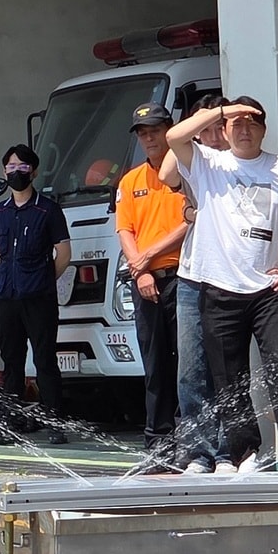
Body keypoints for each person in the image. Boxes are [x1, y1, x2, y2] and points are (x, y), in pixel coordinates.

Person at [160, 96, 278, 476]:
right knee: (228, 378)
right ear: (223, 129)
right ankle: (243, 453)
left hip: (268, 291)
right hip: (218, 290)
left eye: (252, 122)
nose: (244, 129)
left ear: (264, 129)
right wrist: (222, 111)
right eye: (237, 123)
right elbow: (173, 137)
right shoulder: (209, 162)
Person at [115, 103, 186, 467]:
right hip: (144, 281)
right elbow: (124, 229)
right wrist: (140, 270)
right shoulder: (130, 181)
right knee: (154, 362)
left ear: (169, 131)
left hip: (181, 277)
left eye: (155, 130)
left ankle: (188, 436)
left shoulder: (186, 173)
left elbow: (190, 221)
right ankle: (158, 441)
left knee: (188, 363)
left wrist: (147, 257)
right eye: (143, 133)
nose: (149, 138)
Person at [162, 95, 229, 470]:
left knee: (226, 369)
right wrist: (198, 127)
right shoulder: (193, 160)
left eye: (221, 127)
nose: (215, 135)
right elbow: (165, 175)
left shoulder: (240, 161)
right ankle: (197, 452)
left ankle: (227, 450)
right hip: (192, 274)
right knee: (190, 371)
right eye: (207, 129)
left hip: (231, 278)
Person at [0, 144, 72, 444]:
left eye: (22, 167)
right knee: (11, 360)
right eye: (10, 167)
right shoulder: (0, 212)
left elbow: (63, 253)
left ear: (33, 172)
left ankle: (55, 423)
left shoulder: (48, 210)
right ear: (4, 172)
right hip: (7, 297)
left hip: (39, 297)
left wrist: (44, 280)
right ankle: (11, 423)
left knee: (45, 359)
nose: (16, 172)